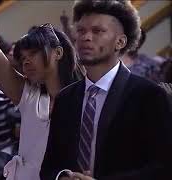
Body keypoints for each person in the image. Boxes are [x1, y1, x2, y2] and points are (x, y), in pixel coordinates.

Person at [40, 0, 172, 180]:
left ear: (120, 41)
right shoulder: (66, 98)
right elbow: (49, 165)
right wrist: (62, 176)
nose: (86, 37)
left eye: (97, 31)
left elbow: (163, 167)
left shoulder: (148, 95)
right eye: (81, 31)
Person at [0, 1, 83, 180]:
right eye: (22, 57)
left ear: (58, 53)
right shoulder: (30, 95)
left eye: (32, 53)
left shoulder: (87, 97)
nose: (25, 62)